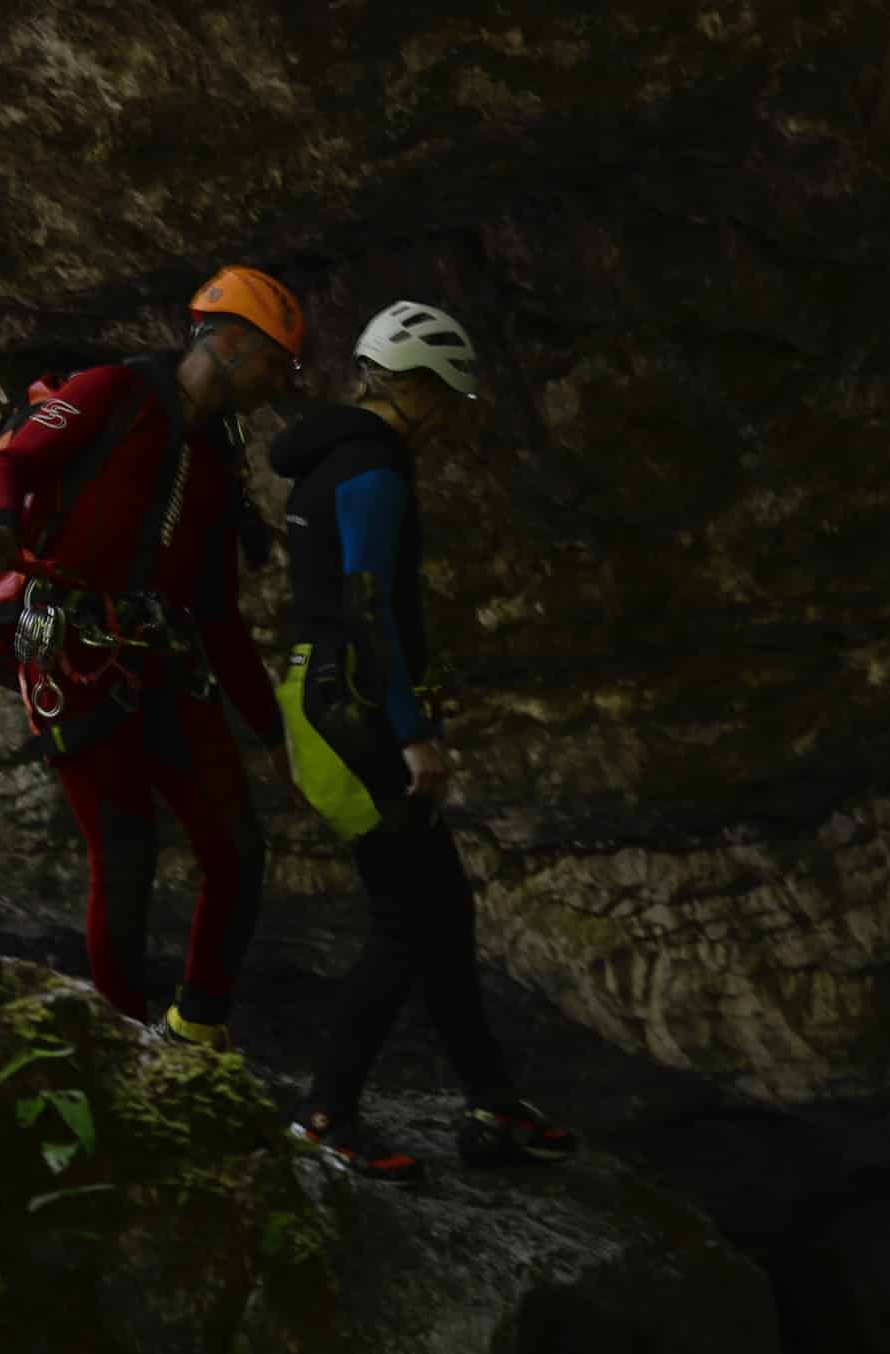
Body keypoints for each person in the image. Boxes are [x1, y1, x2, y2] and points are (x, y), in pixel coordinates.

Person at [268, 301, 580, 1183]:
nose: (446, 417)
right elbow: (371, 614)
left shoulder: (327, 458)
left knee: (443, 911)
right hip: (353, 709)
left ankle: (493, 1104)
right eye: (441, 397)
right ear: (407, 386)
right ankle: (324, 1115)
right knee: (407, 921)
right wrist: (416, 735)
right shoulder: (371, 470)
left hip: (327, 695)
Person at [0, 265, 301, 1051]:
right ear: (227, 340)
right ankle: (121, 1037)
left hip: (161, 660)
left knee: (237, 843)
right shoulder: (112, 390)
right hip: (67, 650)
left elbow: (219, 617)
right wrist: (2, 522)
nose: (282, 380)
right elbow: (12, 462)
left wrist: (272, 734)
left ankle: (197, 1027)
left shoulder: (219, 463)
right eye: (275, 361)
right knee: (122, 847)